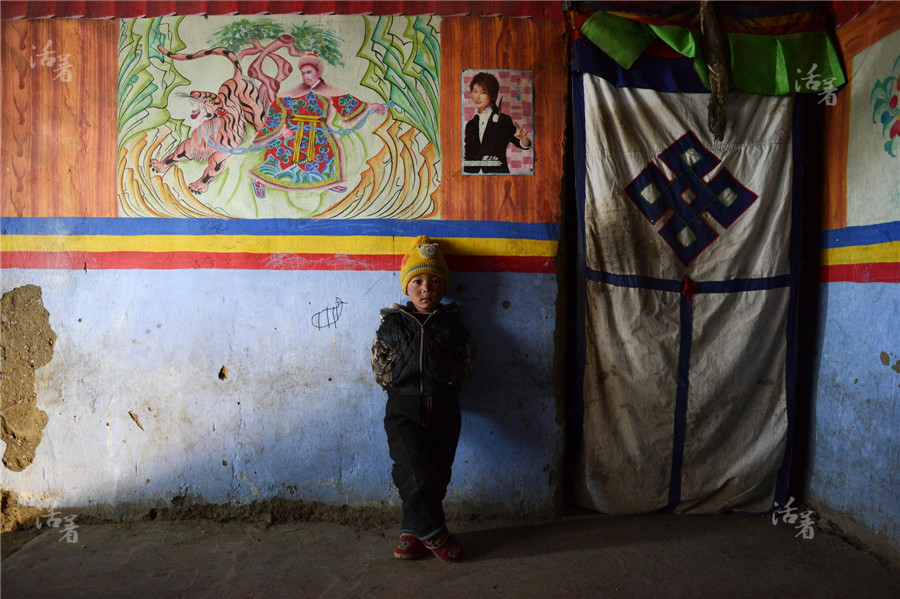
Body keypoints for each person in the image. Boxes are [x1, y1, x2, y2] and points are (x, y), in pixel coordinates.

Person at [371, 235, 475, 562]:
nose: (426, 288)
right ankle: (433, 533)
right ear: (407, 287)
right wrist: (395, 381)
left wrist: (449, 379)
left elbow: (466, 363)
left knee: (438, 473)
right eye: (417, 281)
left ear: (444, 287)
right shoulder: (392, 325)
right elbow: (379, 364)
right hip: (402, 409)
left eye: (434, 281)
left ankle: (410, 529)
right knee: (412, 471)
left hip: (444, 407)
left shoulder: (453, 325)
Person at [248, 51, 386, 198]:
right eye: (303, 73)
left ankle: (329, 181)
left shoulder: (328, 91)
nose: (305, 76)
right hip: (293, 132)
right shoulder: (294, 93)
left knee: (327, 152)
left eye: (308, 72)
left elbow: (347, 102)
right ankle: (260, 181)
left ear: (318, 72)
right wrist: (282, 129)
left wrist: (370, 107)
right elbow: (277, 110)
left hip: (318, 131)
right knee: (281, 155)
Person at [463, 71, 532, 174]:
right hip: (473, 178)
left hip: (498, 176)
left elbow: (522, 144)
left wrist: (524, 139)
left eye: (483, 92)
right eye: (475, 91)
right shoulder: (470, 125)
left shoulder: (503, 120)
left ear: (492, 96)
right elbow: (469, 156)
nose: (477, 97)